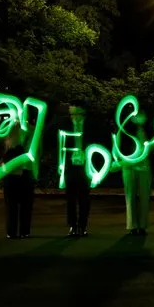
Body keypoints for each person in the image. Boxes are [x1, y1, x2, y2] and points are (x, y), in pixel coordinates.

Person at [0, 121, 35, 239]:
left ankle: (16, 232)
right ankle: (20, 231)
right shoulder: (11, 128)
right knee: (19, 204)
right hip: (17, 171)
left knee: (17, 204)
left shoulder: (27, 129)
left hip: (20, 171)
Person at [121, 110, 152, 236]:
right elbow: (120, 148)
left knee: (144, 198)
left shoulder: (149, 131)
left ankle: (142, 225)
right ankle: (133, 225)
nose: (139, 117)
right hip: (129, 167)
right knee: (130, 196)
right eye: (137, 115)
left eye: (142, 115)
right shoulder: (125, 131)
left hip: (144, 168)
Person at [64, 101, 91, 237]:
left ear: (83, 115)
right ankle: (72, 226)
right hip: (70, 167)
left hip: (85, 167)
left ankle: (83, 226)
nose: (74, 117)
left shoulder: (90, 128)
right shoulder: (65, 127)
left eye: (77, 114)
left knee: (84, 198)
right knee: (70, 198)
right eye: (72, 114)